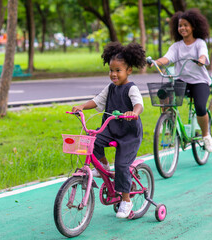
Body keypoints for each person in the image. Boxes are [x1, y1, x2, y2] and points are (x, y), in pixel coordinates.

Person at [72, 42, 146, 218]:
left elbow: (139, 104)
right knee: (92, 139)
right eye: (111, 70)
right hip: (111, 129)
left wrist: (134, 113)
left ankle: (126, 201)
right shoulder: (111, 87)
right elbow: (97, 101)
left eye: (118, 70)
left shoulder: (131, 88)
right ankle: (104, 165)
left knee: (122, 165)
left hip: (129, 134)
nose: (113, 74)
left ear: (129, 70)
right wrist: (82, 106)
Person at [150, 9, 212, 152]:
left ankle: (206, 135)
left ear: (193, 27)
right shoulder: (176, 46)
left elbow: (203, 55)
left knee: (200, 107)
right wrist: (156, 62)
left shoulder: (199, 43)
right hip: (182, 81)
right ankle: (169, 124)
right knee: (162, 93)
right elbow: (168, 58)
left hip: (199, 81)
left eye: (186, 25)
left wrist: (201, 60)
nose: (182, 28)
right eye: (180, 25)